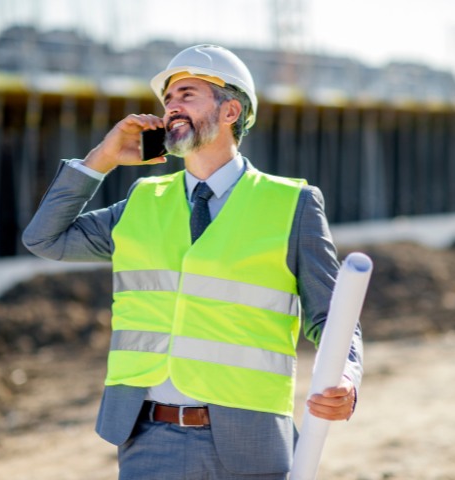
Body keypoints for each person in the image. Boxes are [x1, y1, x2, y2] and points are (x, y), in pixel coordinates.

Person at [23, 44, 363, 479]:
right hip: (150, 439)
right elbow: (43, 238)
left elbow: (333, 317)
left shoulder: (292, 205)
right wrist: (102, 158)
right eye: (167, 100)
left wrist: (346, 378)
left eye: (186, 94)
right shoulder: (141, 204)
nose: (171, 107)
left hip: (252, 440)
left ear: (230, 111)